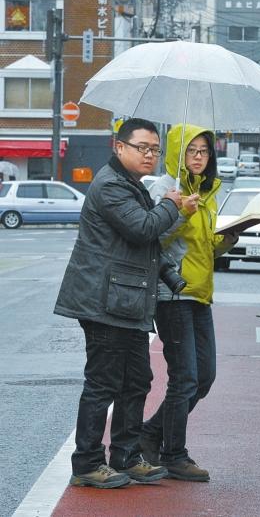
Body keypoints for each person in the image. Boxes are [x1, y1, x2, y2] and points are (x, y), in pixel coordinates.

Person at [54, 118, 184, 488]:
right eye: (142, 147)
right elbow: (142, 228)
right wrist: (170, 206)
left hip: (124, 299)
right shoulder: (111, 185)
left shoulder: (132, 185)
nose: (150, 155)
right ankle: (87, 464)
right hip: (103, 301)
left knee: (137, 380)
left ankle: (126, 455)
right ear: (119, 147)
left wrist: (169, 270)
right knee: (103, 383)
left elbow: (142, 244)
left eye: (155, 150)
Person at [140, 123, 238, 482]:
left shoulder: (205, 192)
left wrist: (225, 241)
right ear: (177, 153)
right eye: (192, 151)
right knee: (184, 379)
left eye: (205, 151)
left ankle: (150, 434)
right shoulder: (164, 188)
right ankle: (173, 454)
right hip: (173, 294)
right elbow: (152, 237)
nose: (199, 157)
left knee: (204, 377)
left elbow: (202, 246)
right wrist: (180, 211)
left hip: (200, 293)